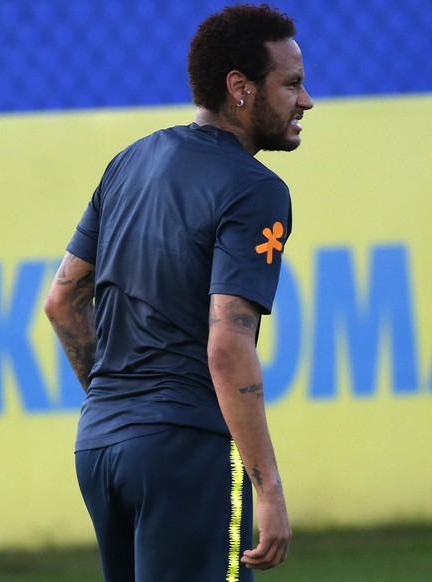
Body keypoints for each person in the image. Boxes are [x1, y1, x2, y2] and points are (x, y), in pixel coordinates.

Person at [42, 4, 314, 580]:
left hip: (99, 446)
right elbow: (227, 345)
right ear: (239, 88)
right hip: (184, 449)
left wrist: (123, 406)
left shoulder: (129, 163)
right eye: (290, 85)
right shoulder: (256, 190)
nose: (306, 101)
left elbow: (62, 301)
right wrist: (269, 490)